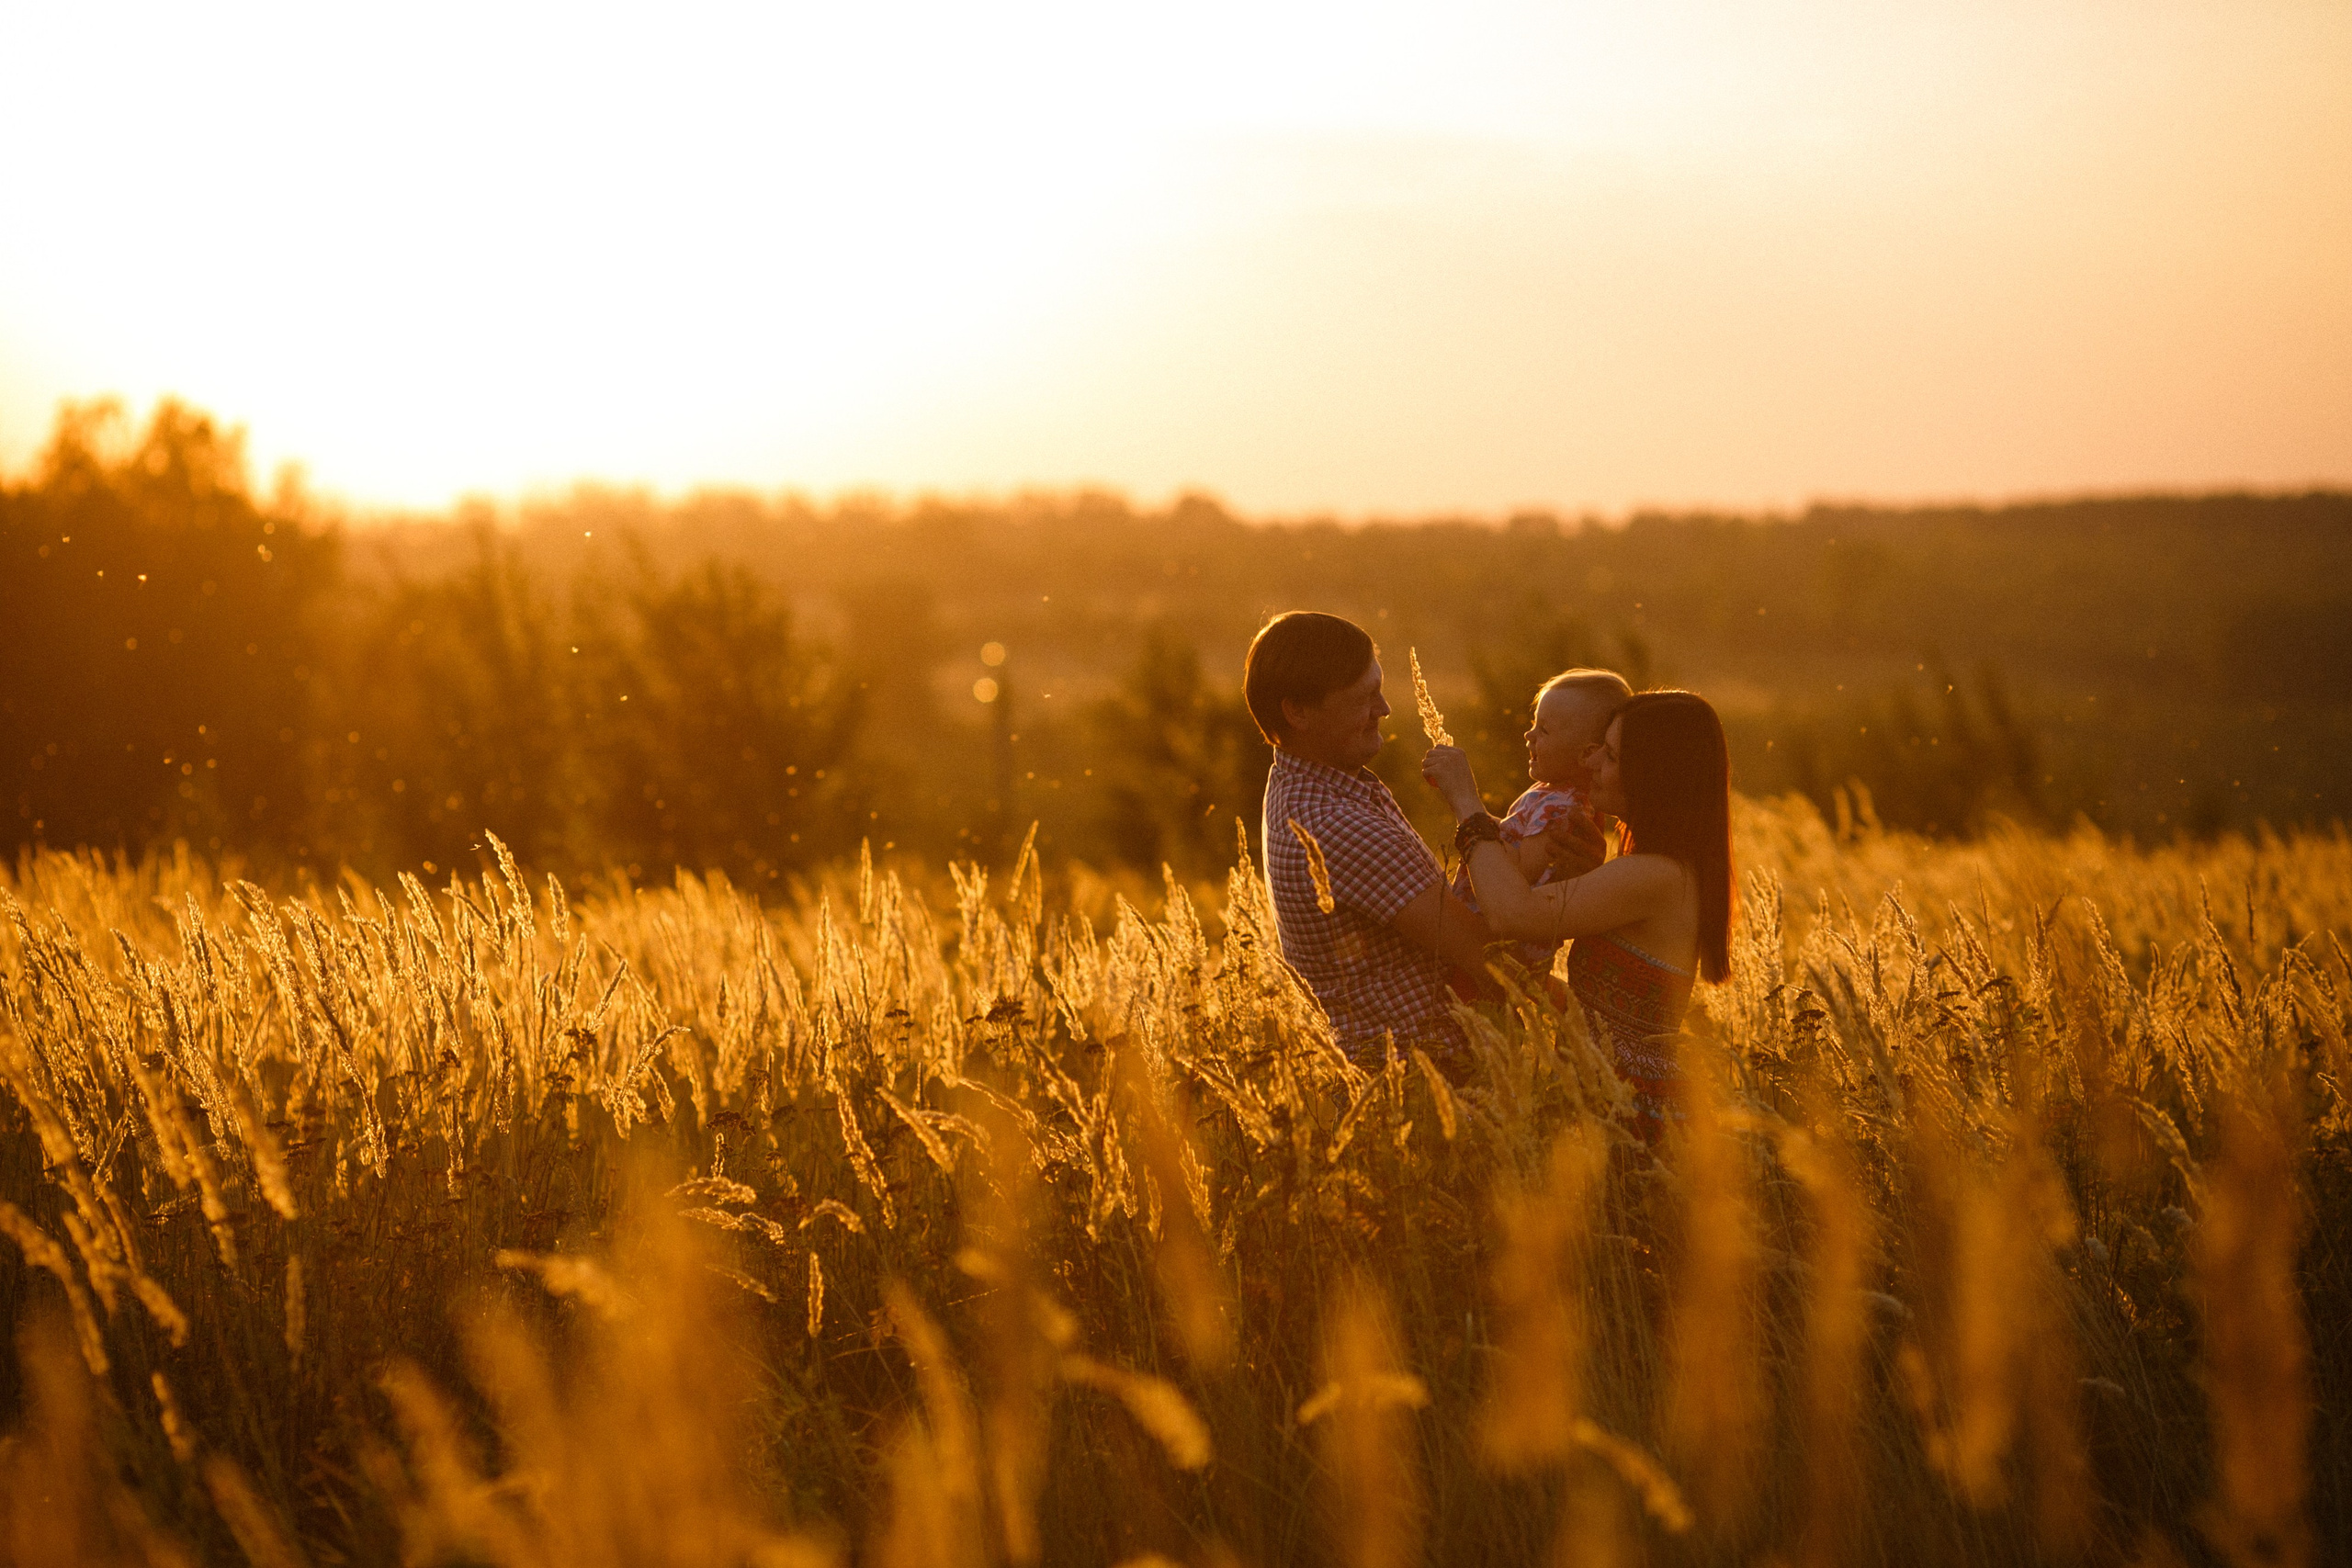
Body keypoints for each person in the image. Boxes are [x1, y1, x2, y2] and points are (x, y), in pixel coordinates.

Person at [1421, 690, 1733, 1130]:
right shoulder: (1654, 872)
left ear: (1651, 774)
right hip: (1609, 1101)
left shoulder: (1657, 876)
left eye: (1608, 756)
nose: (1590, 765)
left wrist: (1467, 806)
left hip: (1629, 1115)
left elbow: (1514, 914)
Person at [1247, 612, 1490, 1061]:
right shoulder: (1335, 824)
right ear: (1297, 711)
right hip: (1431, 1084)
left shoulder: (1298, 783)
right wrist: (1468, 807)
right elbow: (1491, 960)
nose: (1385, 709)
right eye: (1365, 697)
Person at [1447, 668, 1630, 974]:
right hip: (1488, 929)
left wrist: (1473, 820)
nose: (1529, 734)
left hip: (1500, 944)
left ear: (1586, 754)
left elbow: (1520, 869)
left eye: (1544, 730)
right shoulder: (1548, 793)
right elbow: (1511, 839)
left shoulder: (1561, 810)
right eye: (1533, 724)